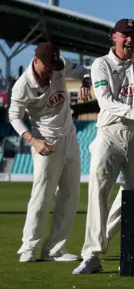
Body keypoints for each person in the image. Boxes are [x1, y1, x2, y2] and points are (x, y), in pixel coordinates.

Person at [73, 19, 134, 274]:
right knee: (99, 191)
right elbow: (105, 101)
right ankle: (92, 255)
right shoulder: (101, 65)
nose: (130, 40)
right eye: (125, 35)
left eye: (133, 36)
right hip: (110, 133)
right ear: (114, 37)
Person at [9, 42, 91, 262]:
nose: (53, 70)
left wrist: (86, 81)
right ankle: (29, 247)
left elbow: (85, 70)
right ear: (36, 60)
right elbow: (14, 117)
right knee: (42, 195)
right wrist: (33, 141)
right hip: (45, 141)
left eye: (55, 65)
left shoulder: (60, 65)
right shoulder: (22, 85)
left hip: (70, 137)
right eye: (48, 65)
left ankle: (54, 250)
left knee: (70, 196)